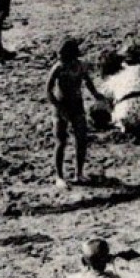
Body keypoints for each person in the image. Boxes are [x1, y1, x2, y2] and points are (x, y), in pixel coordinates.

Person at [46, 39, 103, 187]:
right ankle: (59, 176)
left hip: (77, 105)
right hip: (61, 106)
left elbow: (87, 81)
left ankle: (79, 173)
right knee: (61, 141)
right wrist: (58, 107)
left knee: (81, 139)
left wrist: (96, 94)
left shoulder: (80, 66)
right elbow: (48, 90)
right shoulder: (58, 68)